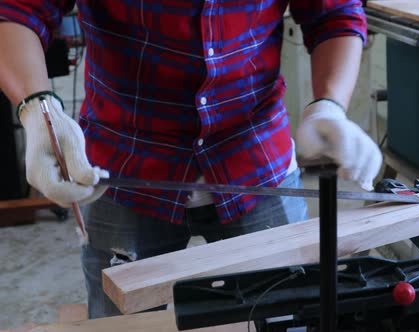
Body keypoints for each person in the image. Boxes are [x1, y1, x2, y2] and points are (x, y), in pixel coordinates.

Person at [0, 0, 382, 319]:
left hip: (255, 156)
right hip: (123, 162)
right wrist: (37, 110)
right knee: (120, 323)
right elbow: (15, 11)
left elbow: (333, 14)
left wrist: (329, 107)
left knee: (283, 314)